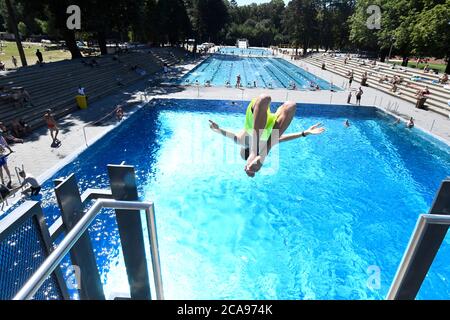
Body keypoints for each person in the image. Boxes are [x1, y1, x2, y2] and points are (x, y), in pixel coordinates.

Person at [209, 94, 326, 177]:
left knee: (291, 106)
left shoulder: (253, 142)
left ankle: (259, 153)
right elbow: (229, 134)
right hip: (259, 127)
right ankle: (257, 152)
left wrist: (304, 133)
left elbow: (282, 139)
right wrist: (217, 129)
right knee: (265, 99)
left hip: (264, 128)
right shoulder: (242, 141)